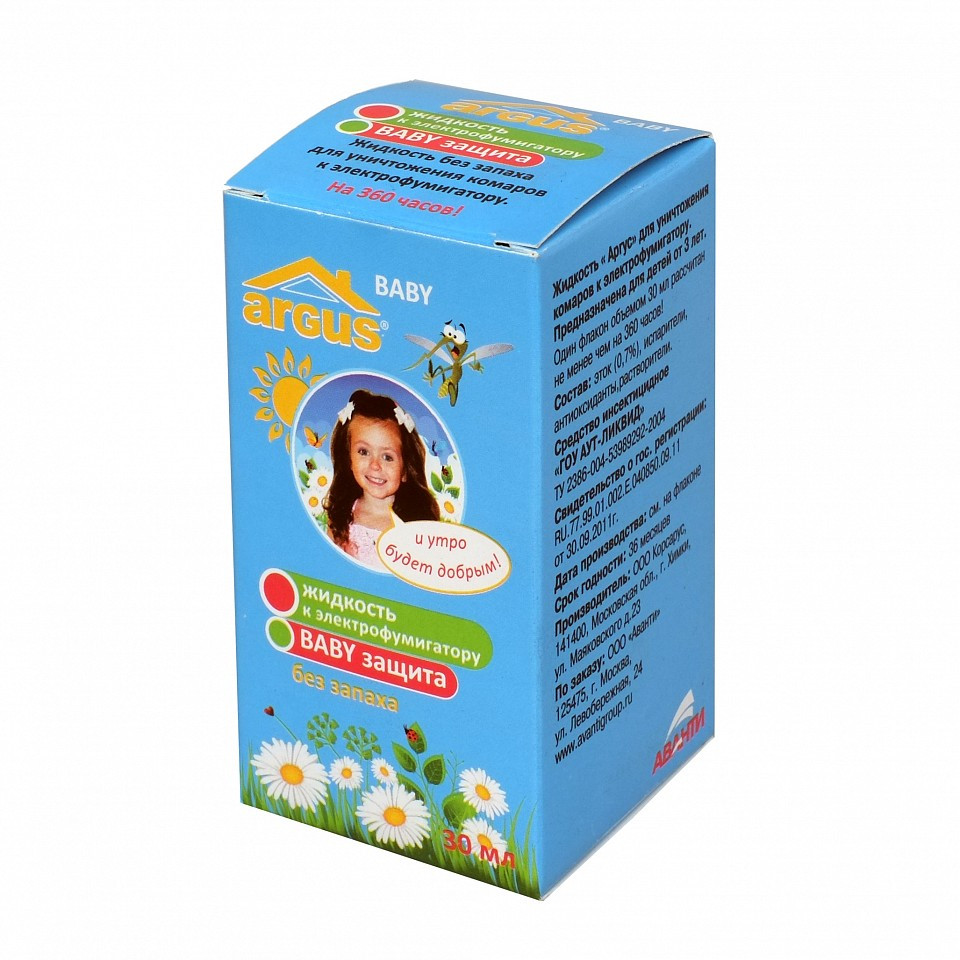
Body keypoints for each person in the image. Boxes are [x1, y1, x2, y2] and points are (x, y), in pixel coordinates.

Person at [325, 389, 440, 568]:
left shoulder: (415, 527)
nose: (375, 465)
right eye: (364, 452)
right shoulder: (340, 517)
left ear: (405, 469)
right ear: (348, 459)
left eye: (387, 457)